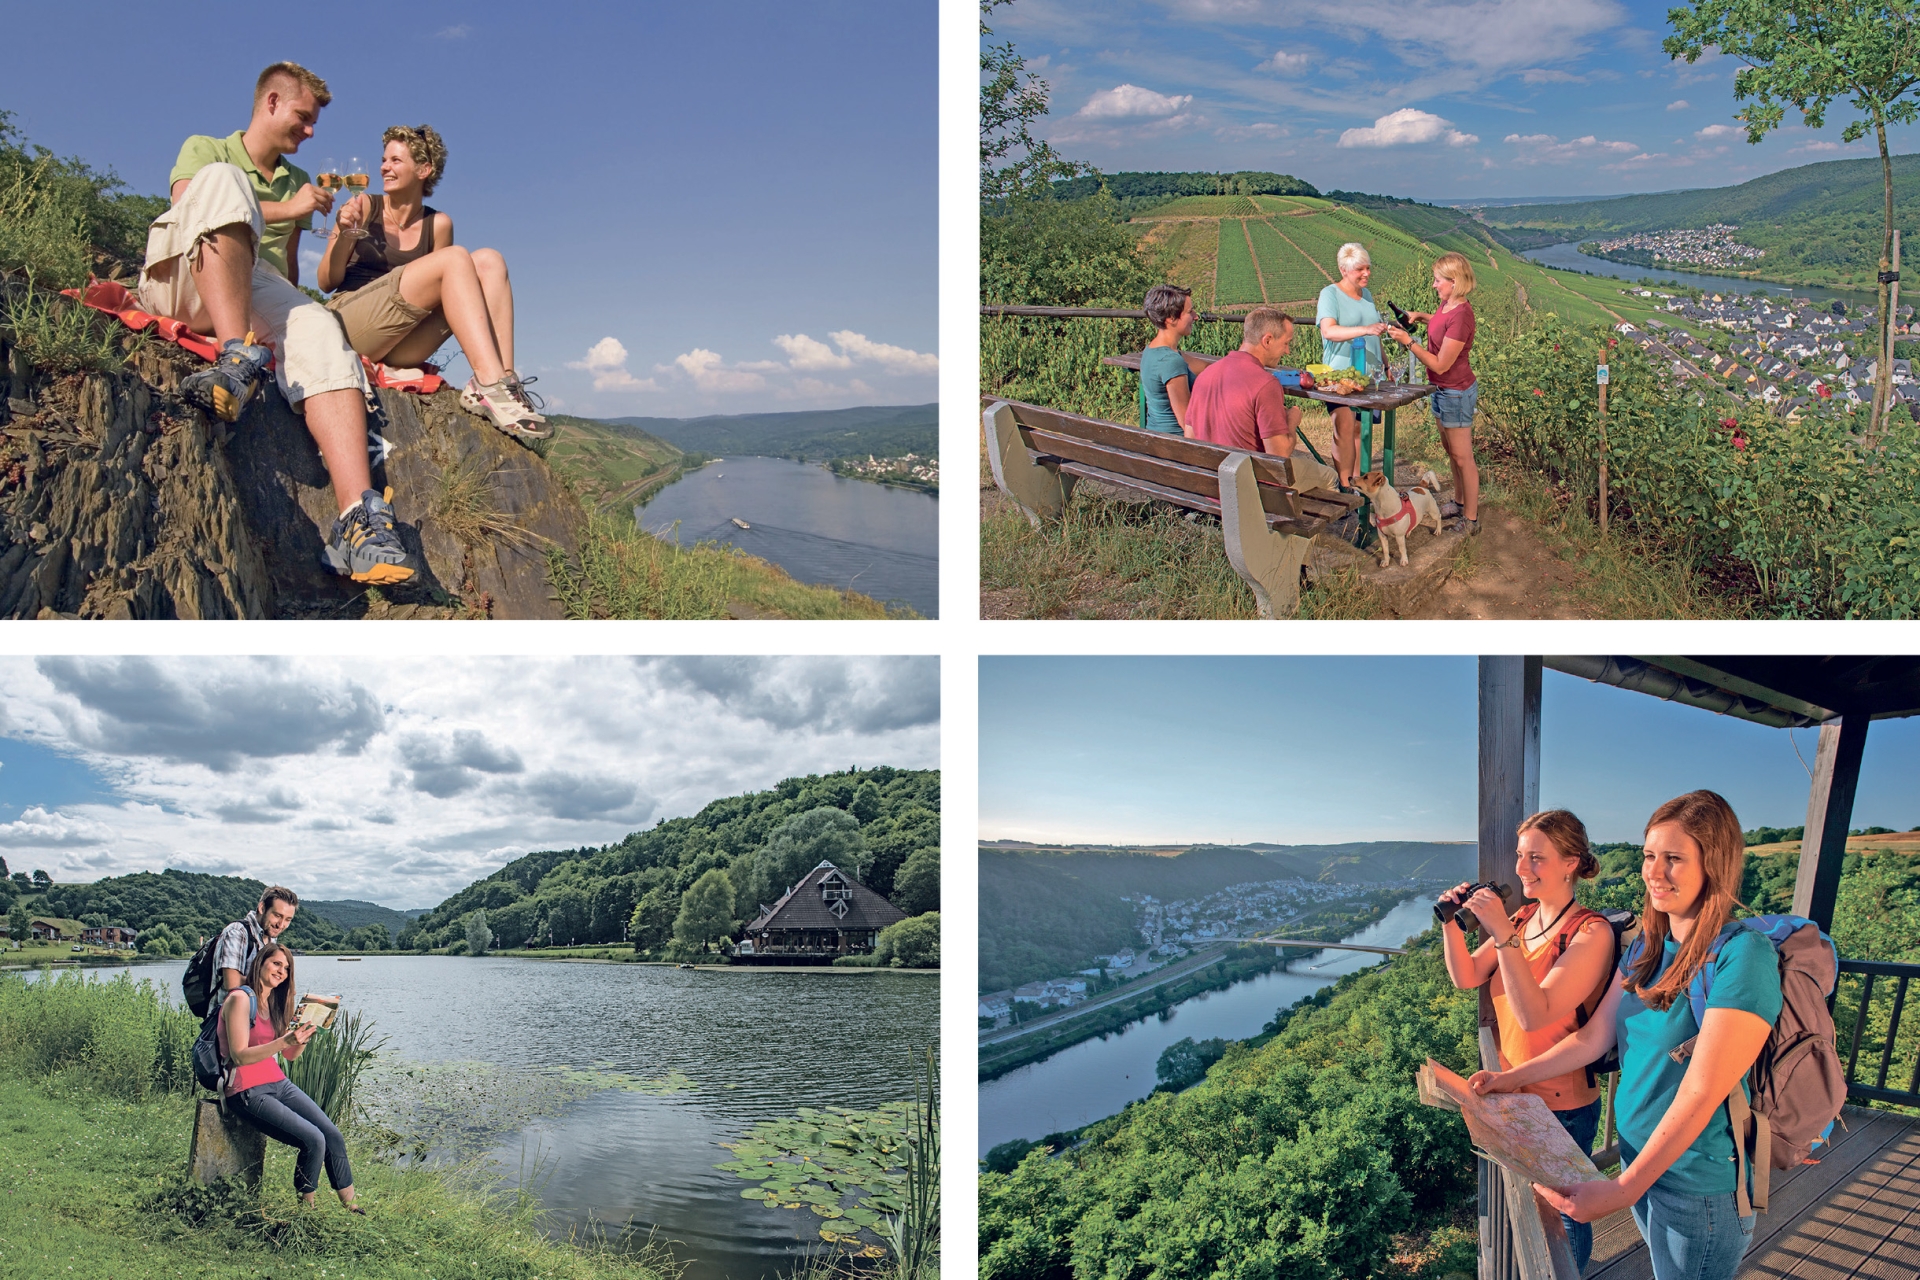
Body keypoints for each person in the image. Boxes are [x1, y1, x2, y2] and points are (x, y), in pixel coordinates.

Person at [1470, 791, 1780, 1280]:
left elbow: (1704, 1090)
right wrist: (1513, 1079)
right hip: (1645, 1165)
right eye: (1649, 856)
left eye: (1674, 858)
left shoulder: (1743, 956)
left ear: (1714, 864)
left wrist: (1621, 1189)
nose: (1654, 872)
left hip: (1698, 1184)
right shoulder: (1648, 951)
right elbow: (1592, 1040)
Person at [137, 62, 414, 585]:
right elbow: (190, 205)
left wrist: (325, 251)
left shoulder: (299, 181)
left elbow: (285, 270)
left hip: (254, 283)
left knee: (316, 326)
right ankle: (234, 356)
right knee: (223, 184)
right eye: (303, 118)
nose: (310, 132)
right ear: (270, 102)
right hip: (183, 266)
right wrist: (287, 208)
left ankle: (357, 520)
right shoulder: (208, 148)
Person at [1439, 810, 1614, 1273]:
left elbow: (1533, 1014)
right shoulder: (1525, 916)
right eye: (1520, 856)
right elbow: (1466, 975)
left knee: (1562, 1217)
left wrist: (1501, 932)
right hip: (1512, 1089)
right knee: (1532, 1211)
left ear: (1571, 862)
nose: (1521, 868)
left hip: (1561, 1103)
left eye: (1536, 858)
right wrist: (1451, 924)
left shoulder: (1590, 934)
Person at [318, 125, 548, 441]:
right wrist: (345, 232)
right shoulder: (363, 206)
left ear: (424, 170)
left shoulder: (438, 224)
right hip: (350, 325)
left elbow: (445, 295)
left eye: (396, 161)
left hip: (401, 340)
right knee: (456, 259)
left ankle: (504, 386)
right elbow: (325, 282)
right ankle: (490, 385)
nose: (384, 167)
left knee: (488, 261)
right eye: (384, 159)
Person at [222, 942, 362, 1212]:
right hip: (245, 1089)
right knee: (313, 1139)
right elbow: (239, 1056)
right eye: (276, 963)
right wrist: (285, 1040)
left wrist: (307, 1034)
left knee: (332, 1135)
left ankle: (353, 1208)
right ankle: (305, 1213)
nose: (281, 971)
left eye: (286, 968)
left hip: (277, 1082)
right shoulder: (240, 999)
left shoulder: (274, 1003)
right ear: (261, 962)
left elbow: (290, 1056)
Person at [1188, 307, 1340, 493]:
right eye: (1285, 343)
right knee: (1330, 476)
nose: (1287, 351)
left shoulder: (1206, 374)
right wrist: (1292, 419)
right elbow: (1280, 455)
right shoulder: (1265, 383)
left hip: (1211, 483)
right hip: (1249, 488)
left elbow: (1190, 435)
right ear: (1267, 340)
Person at [1387, 252, 1480, 533]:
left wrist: (1409, 342)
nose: (1434, 284)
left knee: (1464, 457)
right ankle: (1459, 503)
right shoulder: (1447, 305)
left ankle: (1471, 520)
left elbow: (1441, 363)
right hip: (1441, 391)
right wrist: (1421, 317)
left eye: (1438, 280)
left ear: (1454, 282)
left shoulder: (1462, 315)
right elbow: (1441, 323)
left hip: (1456, 392)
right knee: (1451, 452)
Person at [1315, 243, 1390, 487]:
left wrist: (1386, 364)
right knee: (1344, 428)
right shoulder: (1330, 294)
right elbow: (1329, 330)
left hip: (1368, 376)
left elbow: (1375, 334)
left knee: (1361, 430)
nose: (1367, 273)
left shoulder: (1366, 295)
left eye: (1368, 268)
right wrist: (1365, 329)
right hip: (1339, 377)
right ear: (1343, 269)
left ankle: (1358, 485)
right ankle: (1344, 485)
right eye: (1360, 269)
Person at [1139, 284, 1206, 435]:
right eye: (1189, 312)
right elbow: (1188, 425)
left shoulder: (1152, 350)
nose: (1195, 316)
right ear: (1171, 319)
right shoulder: (1171, 362)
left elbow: (1206, 368)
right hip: (1174, 446)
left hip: (1155, 437)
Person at [214, 885, 298, 997]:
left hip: (253, 1011)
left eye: (288, 920)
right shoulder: (237, 932)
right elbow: (231, 983)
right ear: (262, 908)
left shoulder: (270, 937)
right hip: (227, 1012)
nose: (281, 925)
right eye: (277, 915)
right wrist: (274, 982)